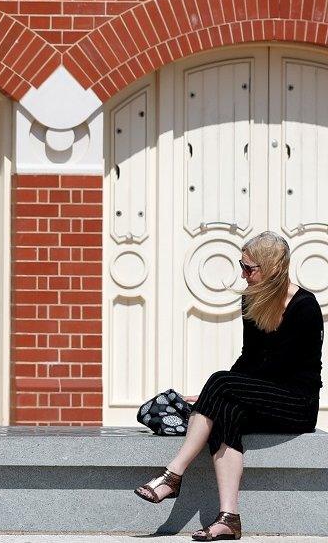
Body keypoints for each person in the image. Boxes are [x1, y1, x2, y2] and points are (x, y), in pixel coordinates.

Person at [134, 231, 323, 541]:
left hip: (295, 402)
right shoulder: (250, 299)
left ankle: (173, 475)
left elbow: (283, 368)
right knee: (225, 409)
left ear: (272, 267)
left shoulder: (305, 306)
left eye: (249, 268)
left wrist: (225, 386)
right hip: (261, 397)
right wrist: (215, 394)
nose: (243, 274)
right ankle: (228, 519)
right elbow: (250, 358)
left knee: (221, 382)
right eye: (242, 266)